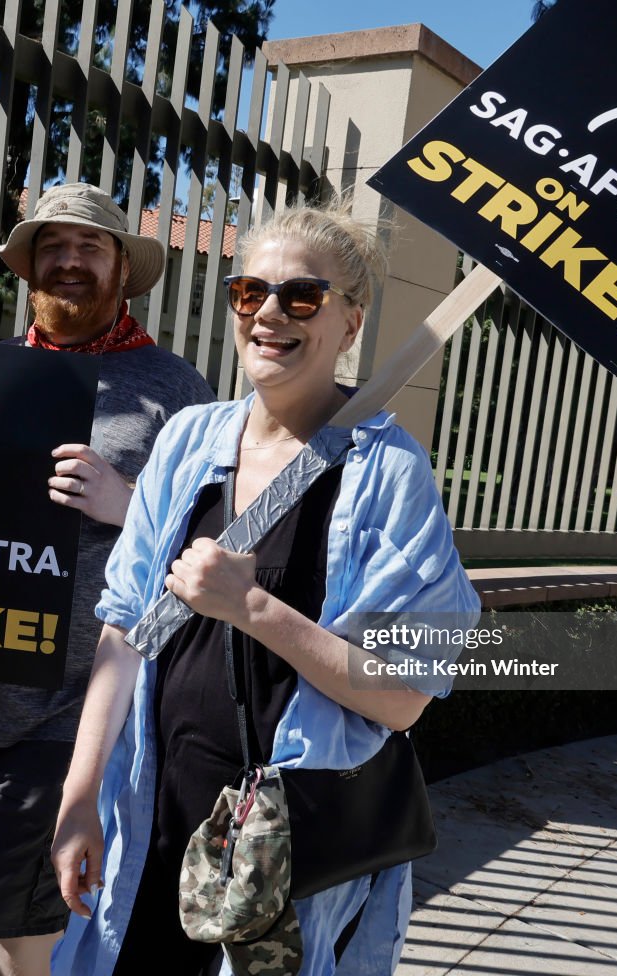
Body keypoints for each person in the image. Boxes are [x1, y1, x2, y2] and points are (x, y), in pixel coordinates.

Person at [50, 200, 481, 976]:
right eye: (251, 292)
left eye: (303, 296)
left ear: (349, 323)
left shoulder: (388, 473)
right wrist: (80, 794)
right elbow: (124, 629)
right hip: (154, 816)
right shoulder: (189, 441)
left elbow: (403, 693)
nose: (271, 314)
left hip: (286, 848)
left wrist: (251, 608)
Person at [0, 182, 215, 976]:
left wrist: (128, 506)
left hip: (68, 704)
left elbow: (213, 546)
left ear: (122, 266)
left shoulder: (175, 391)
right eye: (53, 245)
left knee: (26, 911)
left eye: (90, 246)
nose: (70, 260)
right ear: (29, 266)